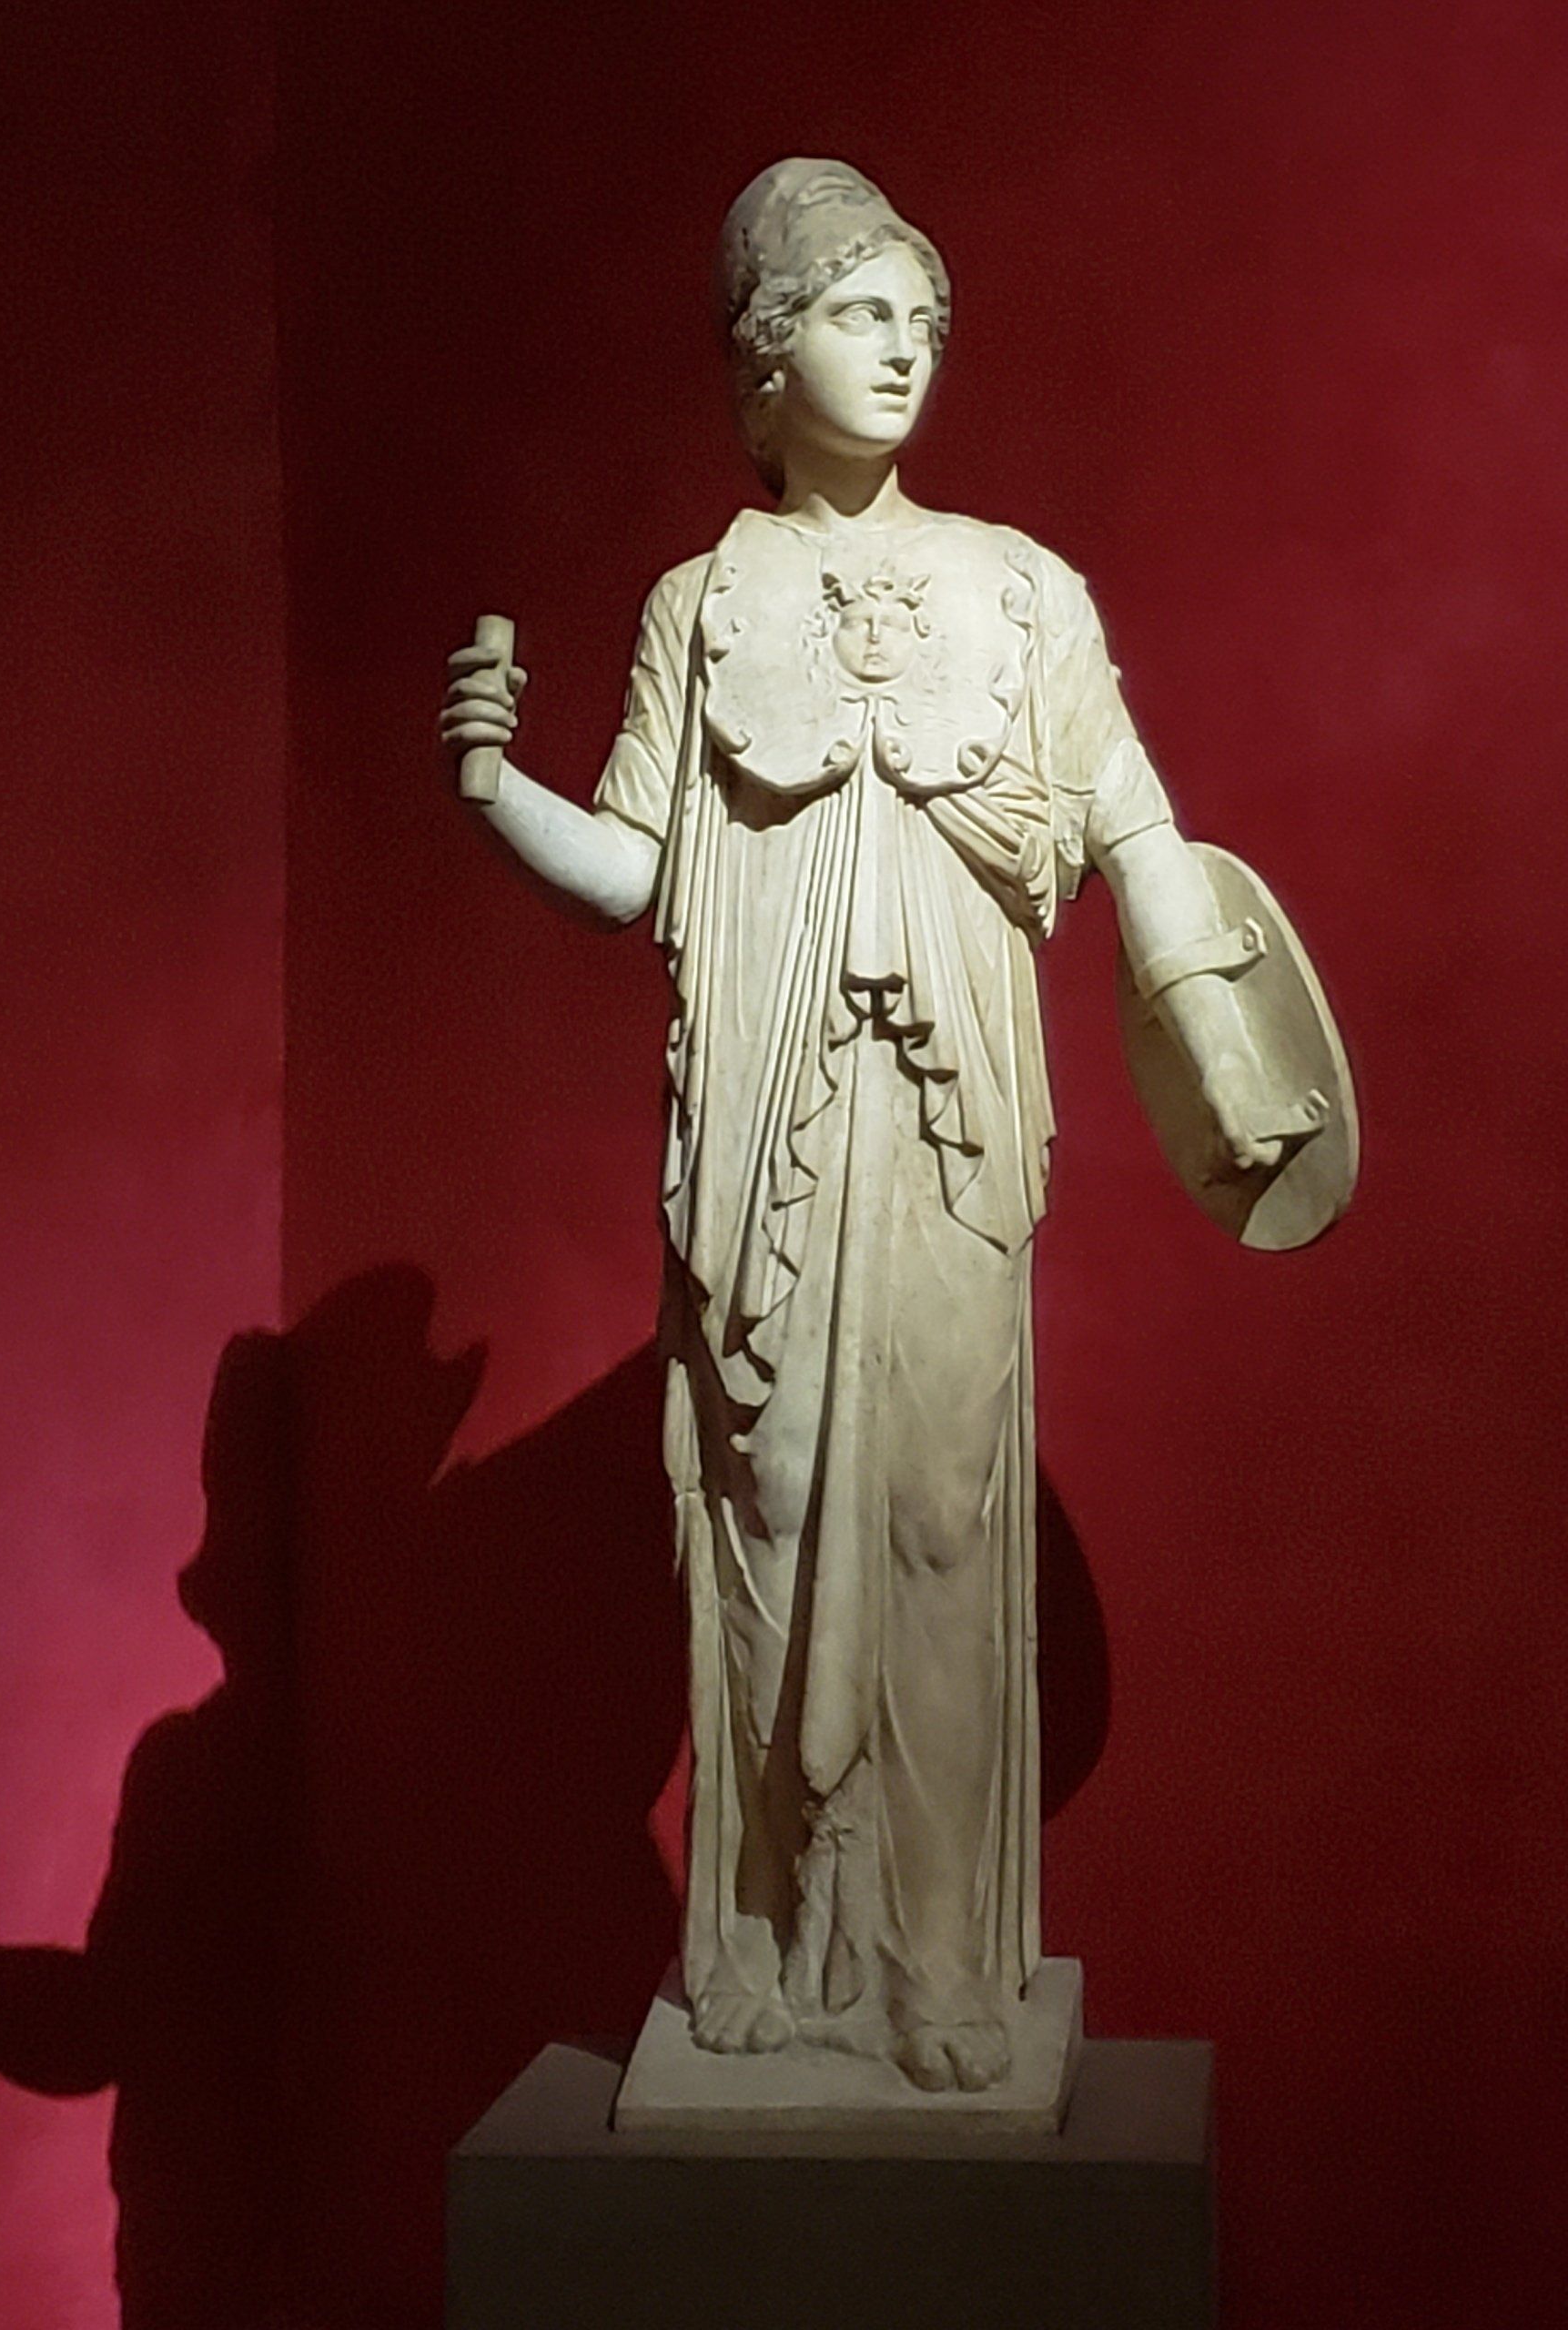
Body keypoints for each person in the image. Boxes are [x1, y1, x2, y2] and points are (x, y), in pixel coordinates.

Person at [440, 158, 1286, 2094]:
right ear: (765, 361)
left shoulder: (1023, 589)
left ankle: (927, 1956)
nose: (902, 348)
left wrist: (1230, 1058)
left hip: (953, 1130)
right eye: (857, 313)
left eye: (920, 319)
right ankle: (780, 1924)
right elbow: (637, 865)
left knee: (934, 1513)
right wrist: (494, 790)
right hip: (767, 1134)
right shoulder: (702, 605)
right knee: (773, 1498)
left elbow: (1139, 832)